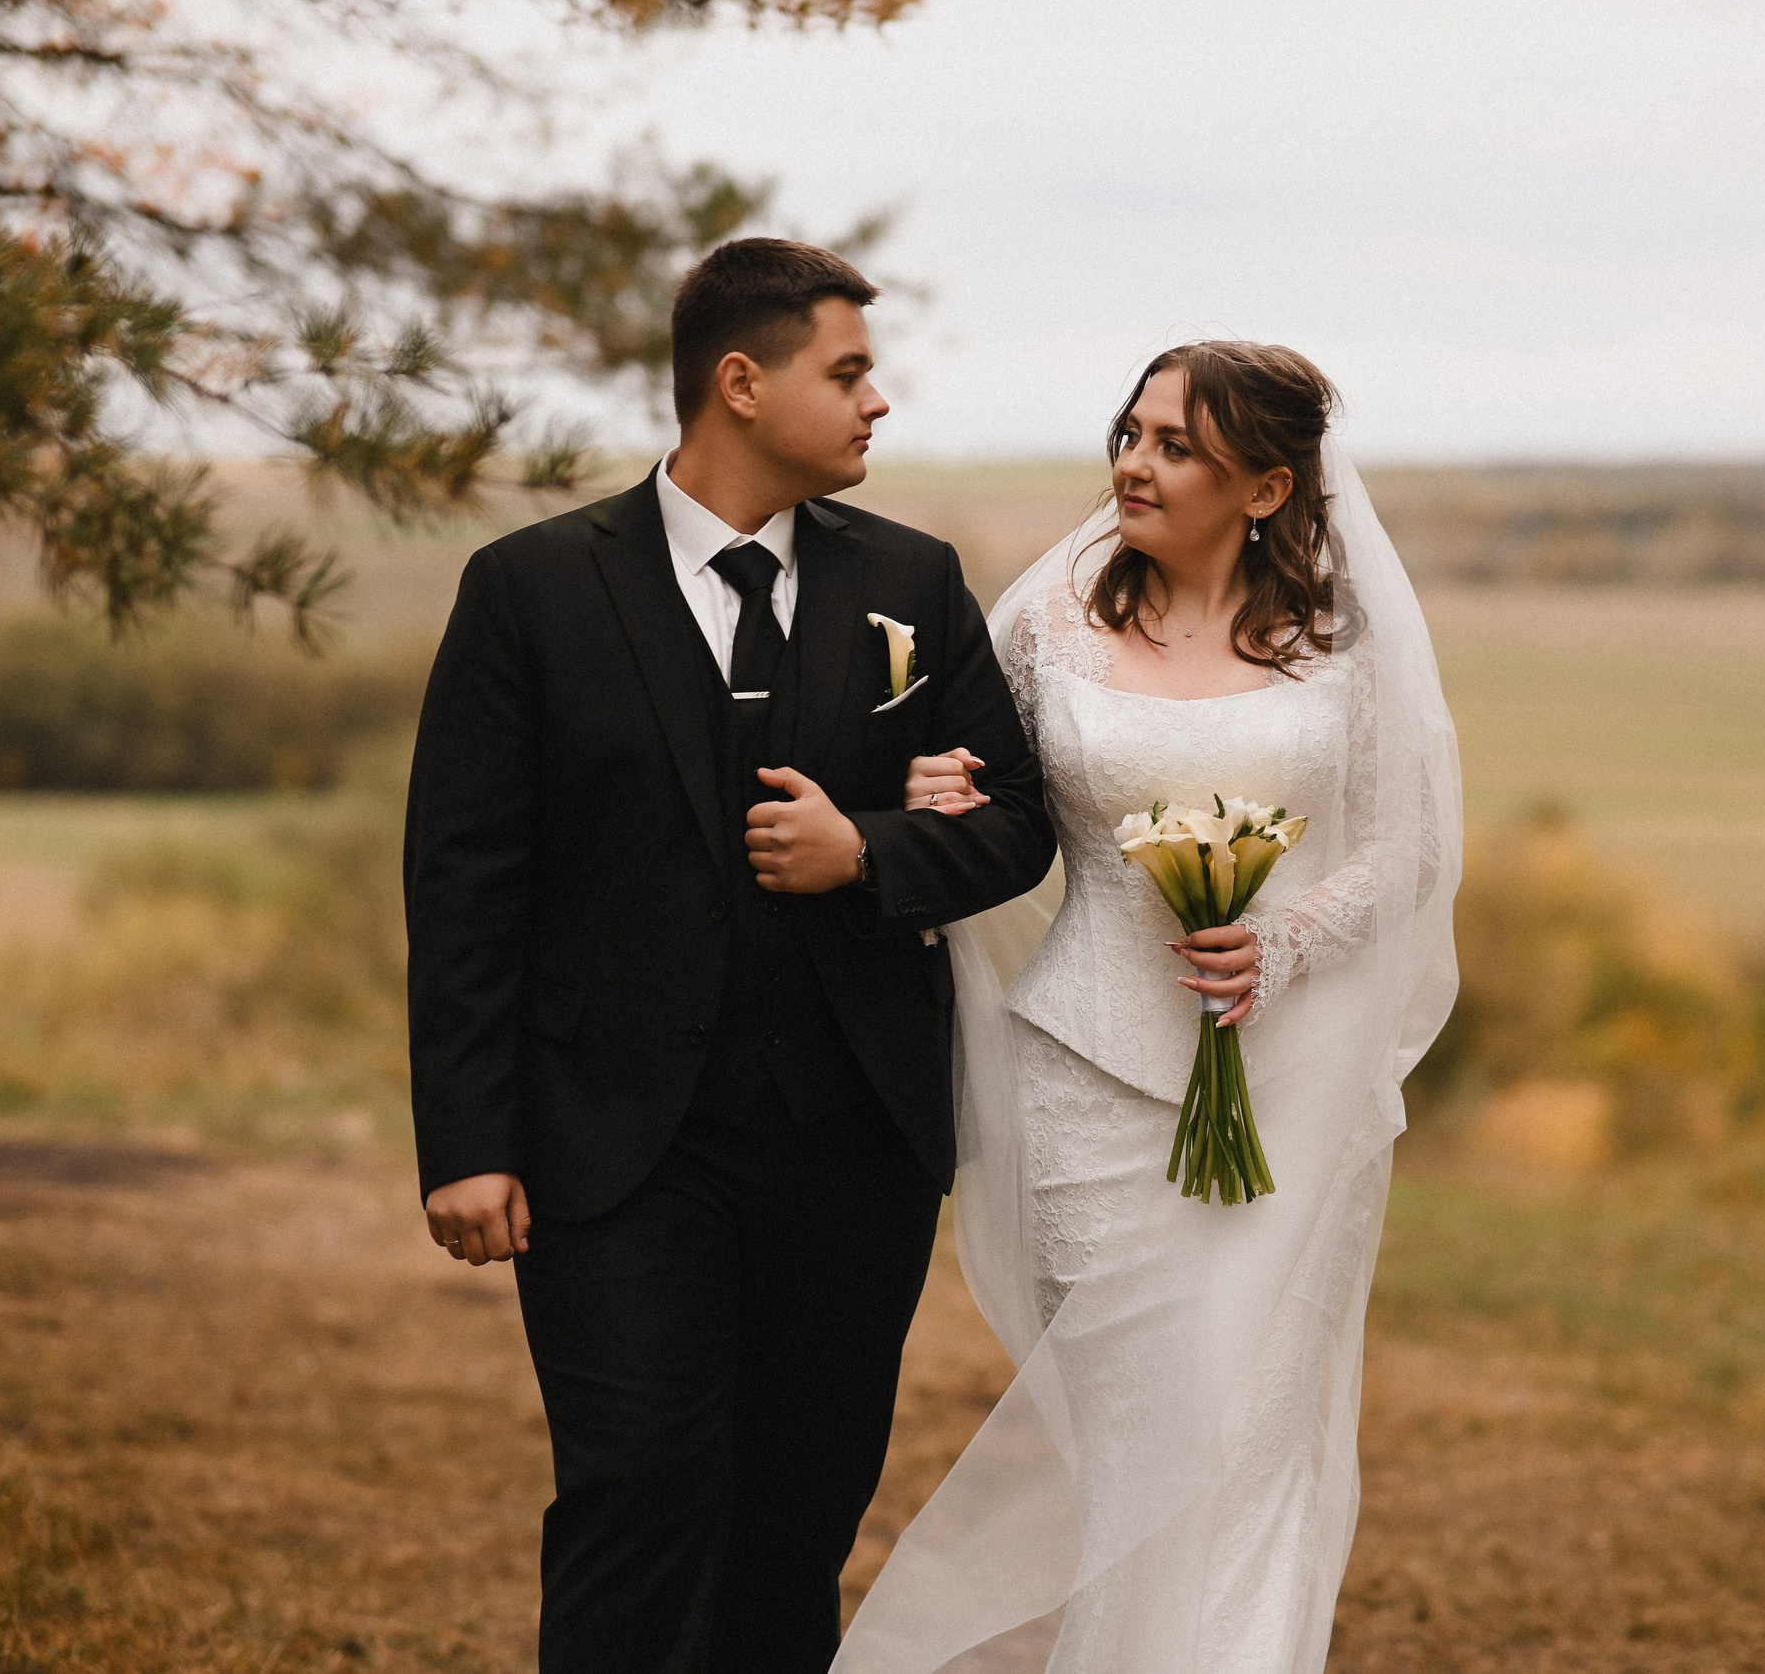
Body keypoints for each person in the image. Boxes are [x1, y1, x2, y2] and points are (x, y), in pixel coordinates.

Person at [403, 237, 1055, 1674]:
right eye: (850, 371)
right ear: (741, 382)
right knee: (637, 1497)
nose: (878, 402)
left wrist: (869, 852)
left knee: (793, 1521)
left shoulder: (913, 582)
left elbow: (1016, 823)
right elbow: (463, 882)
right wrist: (466, 1137)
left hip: (853, 1145)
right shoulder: (531, 588)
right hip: (614, 1144)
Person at [836, 343, 1463, 1673]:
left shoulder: (1340, 643)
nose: (1134, 460)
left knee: (1247, 1453)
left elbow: (1411, 840)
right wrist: (939, 790)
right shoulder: (1046, 620)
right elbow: (981, 794)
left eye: (1177, 444)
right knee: (1138, 1455)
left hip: (1287, 1091)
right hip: (1086, 1075)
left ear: (1266, 483)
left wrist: (1284, 938)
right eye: (1131, 431)